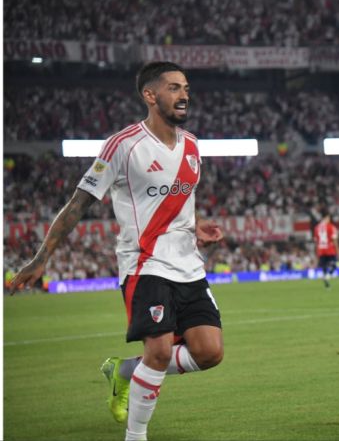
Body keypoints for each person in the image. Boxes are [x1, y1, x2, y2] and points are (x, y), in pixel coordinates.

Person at [10, 61, 226, 441]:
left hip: (189, 265)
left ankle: (125, 370)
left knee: (209, 353)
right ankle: (136, 436)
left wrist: (198, 225)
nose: (184, 95)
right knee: (158, 352)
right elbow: (78, 204)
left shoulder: (193, 145)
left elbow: (180, 200)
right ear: (150, 95)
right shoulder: (123, 145)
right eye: (174, 88)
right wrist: (41, 257)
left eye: (186, 87)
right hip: (145, 264)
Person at [313, 208, 339, 289]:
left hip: (321, 249)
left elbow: (316, 241)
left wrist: (316, 251)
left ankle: (326, 285)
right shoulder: (331, 227)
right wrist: (338, 249)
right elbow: (334, 239)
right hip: (329, 249)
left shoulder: (316, 228)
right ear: (326, 218)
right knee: (334, 264)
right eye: (328, 218)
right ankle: (328, 276)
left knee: (324, 266)